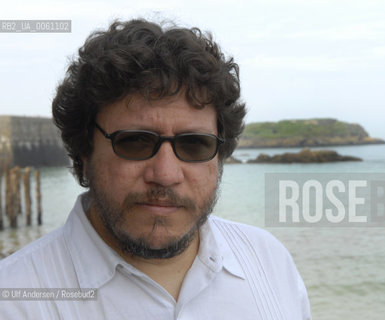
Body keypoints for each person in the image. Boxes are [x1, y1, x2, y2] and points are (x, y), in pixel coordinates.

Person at [0, 18, 311, 319]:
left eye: (194, 145)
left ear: (219, 154)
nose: (165, 174)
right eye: (134, 142)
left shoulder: (270, 263)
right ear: (84, 151)